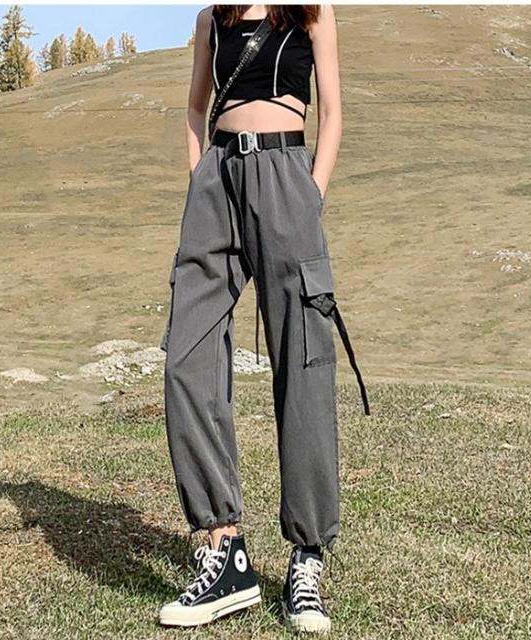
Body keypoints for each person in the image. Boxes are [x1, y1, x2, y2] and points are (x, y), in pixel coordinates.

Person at [158, 4, 369, 634]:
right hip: (216, 182)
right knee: (186, 359)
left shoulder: (311, 13)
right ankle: (224, 549)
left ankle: (307, 556)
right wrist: (200, 178)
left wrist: (311, 193)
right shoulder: (211, 19)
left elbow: (332, 113)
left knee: (303, 364)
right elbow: (195, 109)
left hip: (286, 175)